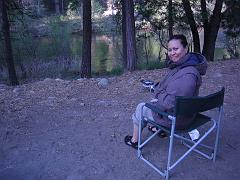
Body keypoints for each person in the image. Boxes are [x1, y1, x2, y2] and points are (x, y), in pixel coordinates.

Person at [124, 34, 207, 149]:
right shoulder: (182, 66)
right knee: (155, 101)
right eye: (170, 50)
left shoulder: (188, 75)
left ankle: (134, 141)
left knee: (141, 107)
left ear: (186, 48)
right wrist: (160, 91)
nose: (172, 53)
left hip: (177, 119)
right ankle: (159, 129)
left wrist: (158, 95)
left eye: (176, 49)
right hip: (182, 114)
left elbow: (171, 102)